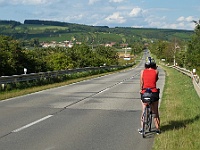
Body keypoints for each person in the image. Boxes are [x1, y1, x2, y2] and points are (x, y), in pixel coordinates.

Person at [138, 59, 161, 134]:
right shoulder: (156, 71)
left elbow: (141, 82)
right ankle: (158, 129)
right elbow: (156, 80)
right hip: (153, 93)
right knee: (155, 112)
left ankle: (142, 128)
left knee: (143, 110)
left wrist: (141, 90)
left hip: (144, 93)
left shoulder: (142, 72)